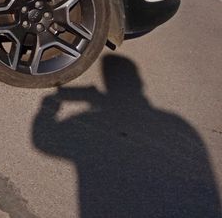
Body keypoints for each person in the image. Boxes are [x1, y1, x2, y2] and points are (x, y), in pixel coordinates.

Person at [32, 55, 221, 218]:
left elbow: (42, 140)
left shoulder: (87, 119)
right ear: (140, 83)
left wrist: (48, 106)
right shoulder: (179, 124)